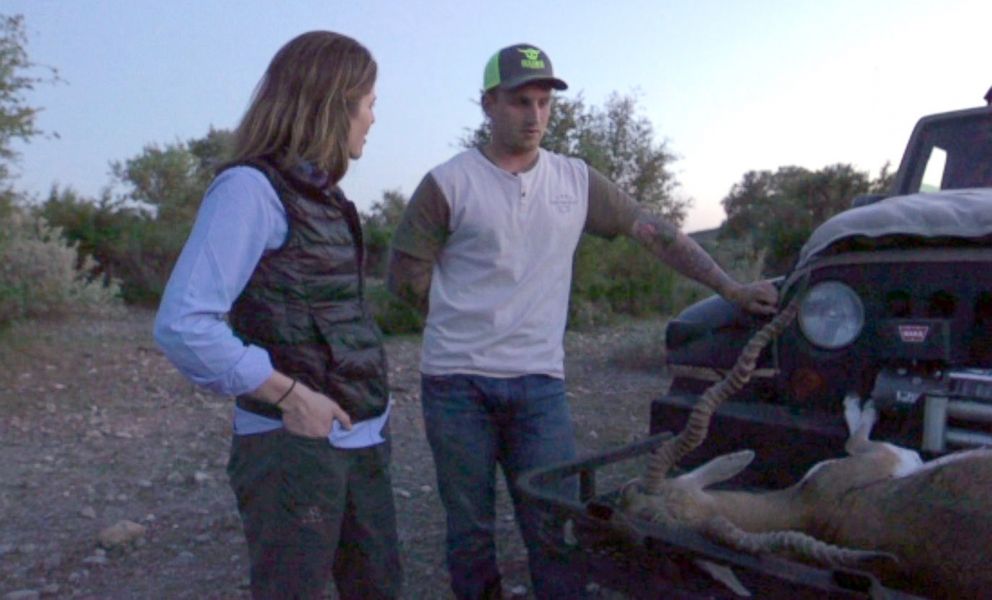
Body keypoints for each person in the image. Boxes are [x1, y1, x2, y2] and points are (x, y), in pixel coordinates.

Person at [386, 43, 778, 599]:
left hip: (539, 384)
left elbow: (655, 232)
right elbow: (405, 276)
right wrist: (458, 322)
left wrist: (730, 288)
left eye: (545, 103)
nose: (535, 115)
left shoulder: (575, 181)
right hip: (455, 383)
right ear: (488, 104)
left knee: (557, 520)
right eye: (521, 101)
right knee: (469, 528)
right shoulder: (449, 184)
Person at [154, 31, 401, 599]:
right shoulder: (249, 190)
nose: (373, 118)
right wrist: (292, 396)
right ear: (334, 102)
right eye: (370, 102)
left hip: (359, 441)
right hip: (293, 450)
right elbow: (184, 324)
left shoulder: (325, 197)